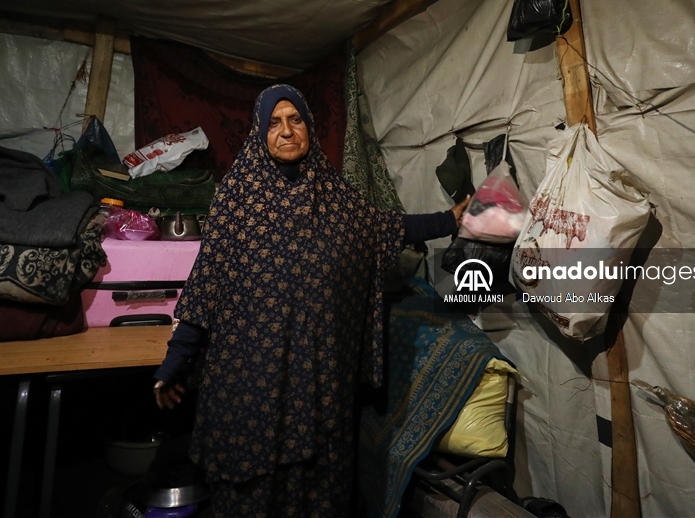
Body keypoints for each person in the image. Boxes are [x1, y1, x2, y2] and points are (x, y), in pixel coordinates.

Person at [153, 84, 468, 517]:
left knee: (318, 494)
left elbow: (387, 228)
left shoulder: (336, 199)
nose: (286, 131)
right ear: (259, 133)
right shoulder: (235, 197)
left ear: (310, 128)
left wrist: (449, 220)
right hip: (251, 389)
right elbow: (205, 284)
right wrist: (175, 363)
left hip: (320, 389)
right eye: (275, 123)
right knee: (252, 496)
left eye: (295, 120)